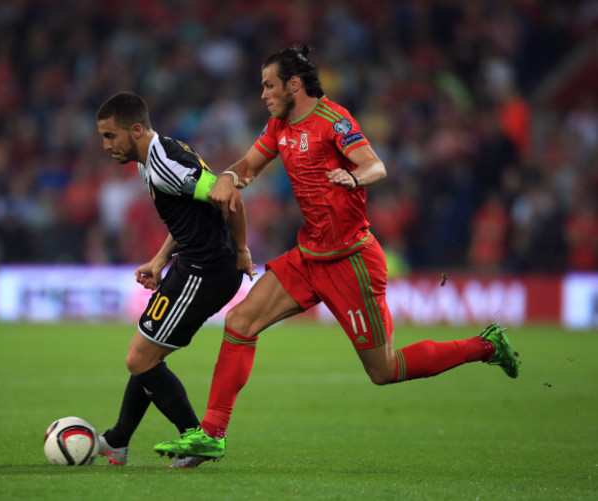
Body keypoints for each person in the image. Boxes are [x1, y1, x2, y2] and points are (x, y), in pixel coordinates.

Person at [153, 45, 521, 462]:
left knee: (384, 370)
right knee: (240, 321)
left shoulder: (334, 120)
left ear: (294, 84)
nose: (263, 94)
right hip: (309, 255)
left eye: (269, 85)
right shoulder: (279, 125)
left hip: (352, 261)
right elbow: (249, 165)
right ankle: (212, 433)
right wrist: (228, 176)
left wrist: (353, 174)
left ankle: (486, 346)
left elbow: (376, 165)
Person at [95, 91, 255, 468]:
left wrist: (243, 248)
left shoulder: (166, 164)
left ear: (135, 130)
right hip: (189, 265)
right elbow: (189, 214)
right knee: (145, 357)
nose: (105, 145)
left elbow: (227, 196)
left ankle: (196, 438)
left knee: (140, 358)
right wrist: (160, 259)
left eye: (110, 136)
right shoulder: (150, 156)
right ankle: (118, 440)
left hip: (207, 271)